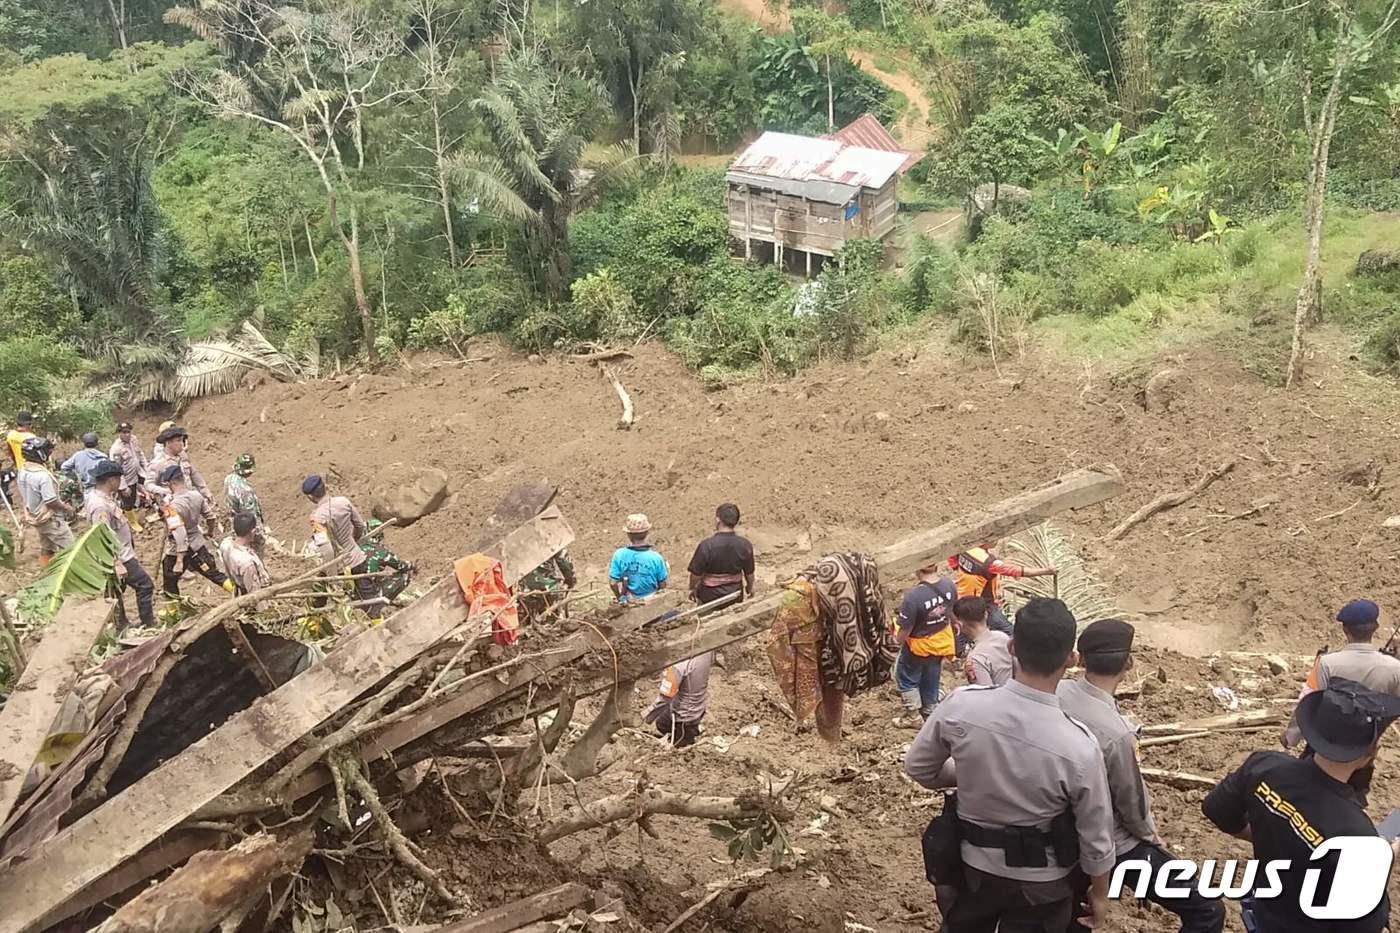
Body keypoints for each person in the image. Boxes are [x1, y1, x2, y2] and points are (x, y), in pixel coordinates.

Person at [905, 598, 1116, 933]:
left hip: (972, 869)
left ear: (1013, 648)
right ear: (1072, 659)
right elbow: (1096, 835)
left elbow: (919, 767)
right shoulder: (1080, 746)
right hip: (1043, 884)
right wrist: (1100, 893)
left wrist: (969, 773)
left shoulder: (963, 706)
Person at [1059, 620, 1224, 933]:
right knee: (1206, 909)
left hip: (1060, 828)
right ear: (1129, 663)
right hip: (1111, 841)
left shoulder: (1059, 692)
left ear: (1081, 659)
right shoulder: (1116, 734)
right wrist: (1151, 838)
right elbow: (1130, 805)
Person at [1204, 677, 1400, 933]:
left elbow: (1217, 810)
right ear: (1370, 752)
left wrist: (1277, 837)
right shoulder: (1357, 835)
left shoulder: (1264, 766)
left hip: (1265, 912)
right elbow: (1361, 924)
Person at [1281, 599, 1400, 806]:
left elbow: (1308, 700)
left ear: (1345, 630)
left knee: (1305, 794)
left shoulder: (1327, 663)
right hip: (1363, 748)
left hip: (1323, 742)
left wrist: (1291, 736)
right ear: (1376, 628)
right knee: (1353, 798)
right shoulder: (1394, 668)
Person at [85, 459, 156, 629]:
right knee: (145, 585)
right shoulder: (99, 505)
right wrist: (116, 562)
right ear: (111, 480)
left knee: (116, 593)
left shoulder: (105, 498)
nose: (120, 483)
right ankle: (148, 623)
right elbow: (102, 535)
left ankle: (121, 626)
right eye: (118, 479)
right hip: (120, 557)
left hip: (122, 553)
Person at [893, 568, 958, 726]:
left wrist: (896, 643)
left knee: (907, 679)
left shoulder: (914, 597)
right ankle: (930, 710)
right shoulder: (949, 585)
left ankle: (913, 716)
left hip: (918, 646)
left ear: (917, 570)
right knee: (932, 676)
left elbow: (906, 628)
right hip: (940, 642)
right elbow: (951, 609)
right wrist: (955, 624)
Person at [158, 462, 232, 598]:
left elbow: (180, 534)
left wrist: (179, 560)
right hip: (198, 544)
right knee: (214, 574)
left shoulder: (171, 507)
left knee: (169, 582)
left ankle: (173, 612)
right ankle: (237, 592)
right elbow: (211, 517)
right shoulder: (196, 496)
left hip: (177, 550)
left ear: (171, 483)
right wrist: (209, 532)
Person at [303, 474, 379, 605]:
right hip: (358, 558)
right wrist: (353, 541)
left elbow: (327, 550)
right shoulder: (343, 502)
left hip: (341, 567)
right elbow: (360, 525)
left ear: (310, 497)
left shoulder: (317, 518)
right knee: (369, 600)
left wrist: (333, 578)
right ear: (325, 487)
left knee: (336, 603)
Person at [948, 546, 1056, 635]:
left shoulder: (965, 548)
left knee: (961, 628)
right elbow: (1016, 571)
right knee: (1010, 631)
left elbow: (952, 556)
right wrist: (1046, 571)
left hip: (963, 596)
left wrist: (955, 567)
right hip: (982, 603)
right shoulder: (988, 563)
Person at [147, 425, 221, 535]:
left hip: (190, 500)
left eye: (182, 440)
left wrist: (206, 492)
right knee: (179, 536)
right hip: (172, 505)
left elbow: (194, 474)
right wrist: (166, 491)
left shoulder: (183, 457)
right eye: (178, 441)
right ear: (168, 443)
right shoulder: (158, 463)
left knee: (195, 530)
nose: (182, 443)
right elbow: (148, 484)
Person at [17, 437, 75, 566]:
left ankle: (46, 571)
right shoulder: (42, 476)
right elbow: (51, 501)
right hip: (50, 520)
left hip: (35, 516)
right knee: (72, 549)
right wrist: (67, 508)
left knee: (47, 547)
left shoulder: (23, 471)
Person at [687, 503, 755, 608]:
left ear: (718, 520)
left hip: (709, 597)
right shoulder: (745, 545)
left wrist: (692, 588)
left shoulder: (707, 546)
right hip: (735, 595)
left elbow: (695, 574)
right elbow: (749, 573)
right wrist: (750, 588)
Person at [645, 650, 716, 748]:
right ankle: (688, 732)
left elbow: (665, 699)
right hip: (699, 706)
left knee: (678, 747)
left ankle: (686, 739)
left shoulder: (678, 665)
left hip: (685, 717)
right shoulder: (708, 650)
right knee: (662, 723)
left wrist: (645, 717)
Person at [609, 513, 668, 604]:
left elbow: (613, 583)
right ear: (647, 533)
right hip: (651, 602)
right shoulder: (656, 558)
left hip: (629, 600)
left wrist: (619, 597)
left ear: (628, 534)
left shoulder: (619, 555)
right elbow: (663, 585)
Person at [959, 597, 1013, 687]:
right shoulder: (1002, 637)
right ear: (986, 614)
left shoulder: (975, 659)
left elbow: (984, 694)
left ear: (959, 624)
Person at [359, 518, 415, 602]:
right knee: (405, 575)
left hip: (356, 592)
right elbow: (401, 566)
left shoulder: (357, 548)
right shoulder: (380, 551)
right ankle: (380, 603)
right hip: (370, 594)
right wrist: (413, 564)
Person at [224, 454, 269, 553]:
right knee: (255, 553)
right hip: (246, 529)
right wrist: (258, 534)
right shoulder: (245, 491)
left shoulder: (229, 479)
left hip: (234, 522)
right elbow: (250, 514)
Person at [109, 422, 149, 532]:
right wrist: (123, 486)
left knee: (146, 490)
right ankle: (132, 522)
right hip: (126, 478)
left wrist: (146, 467)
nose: (127, 434)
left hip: (138, 472)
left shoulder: (134, 440)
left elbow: (140, 454)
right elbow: (116, 470)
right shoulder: (116, 449)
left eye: (128, 432)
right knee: (128, 501)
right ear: (119, 433)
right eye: (124, 432)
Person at [519, 546, 575, 623]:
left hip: (524, 593)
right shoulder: (549, 538)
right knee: (555, 625)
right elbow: (564, 561)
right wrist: (570, 582)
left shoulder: (514, 543)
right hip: (549, 589)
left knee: (528, 623)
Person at [220, 512, 271, 596]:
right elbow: (255, 594)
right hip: (251, 595)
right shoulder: (247, 563)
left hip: (238, 589)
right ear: (253, 531)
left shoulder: (225, 544)